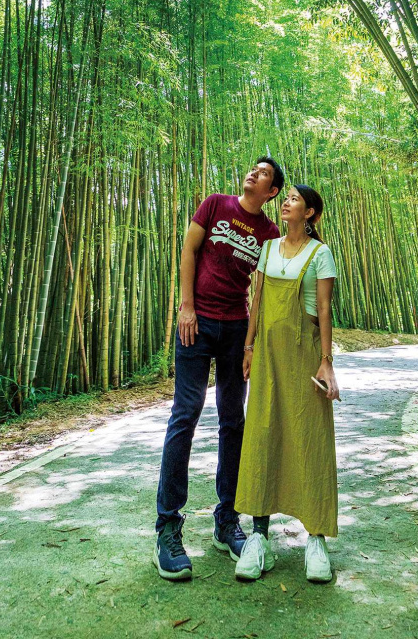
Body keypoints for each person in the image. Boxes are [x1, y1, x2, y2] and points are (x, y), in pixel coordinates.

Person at [154, 157, 284, 581]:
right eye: (253, 168)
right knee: (185, 416)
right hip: (198, 323)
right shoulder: (214, 205)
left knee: (233, 421)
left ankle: (227, 521)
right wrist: (186, 306)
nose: (254, 173)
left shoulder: (270, 233)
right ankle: (168, 528)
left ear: (272, 193)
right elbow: (189, 250)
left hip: (235, 329)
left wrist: (251, 344)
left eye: (264, 174)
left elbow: (262, 290)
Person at [233, 184, 339, 584]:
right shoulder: (268, 248)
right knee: (262, 434)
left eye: (293, 198)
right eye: (286, 198)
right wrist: (248, 346)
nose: (286, 203)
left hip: (304, 353)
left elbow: (325, 309)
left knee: (309, 436)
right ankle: (258, 538)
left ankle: (316, 538)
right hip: (267, 356)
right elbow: (257, 300)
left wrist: (326, 362)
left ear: (309, 213)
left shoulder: (320, 253)